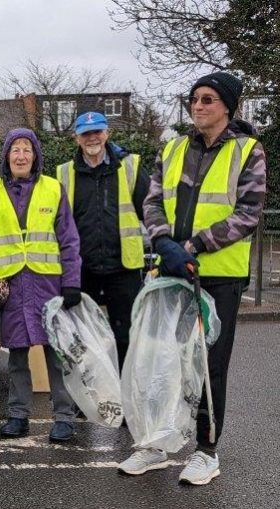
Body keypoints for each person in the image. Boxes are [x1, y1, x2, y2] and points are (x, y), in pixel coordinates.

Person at [119, 71, 267, 486]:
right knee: (159, 362)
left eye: (207, 100)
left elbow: (248, 214)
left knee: (208, 366)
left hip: (217, 275)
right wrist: (165, 243)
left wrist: (194, 246)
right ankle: (155, 444)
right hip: (170, 270)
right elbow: (152, 202)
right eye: (194, 100)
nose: (198, 106)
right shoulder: (173, 148)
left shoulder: (248, 152)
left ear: (227, 107)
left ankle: (206, 450)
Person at [0, 128, 82, 443]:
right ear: (6, 156)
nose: (21, 155)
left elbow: (69, 240)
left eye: (26, 149)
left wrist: (72, 282)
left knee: (56, 354)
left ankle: (63, 417)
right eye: (15, 149)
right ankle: (18, 416)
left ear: (35, 156)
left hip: (48, 284)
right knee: (17, 355)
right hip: (11, 287)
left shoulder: (53, 189)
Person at [55, 112, 149, 370]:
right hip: (83, 270)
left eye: (97, 132)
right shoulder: (64, 174)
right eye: (86, 133)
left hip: (124, 268)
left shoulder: (130, 166)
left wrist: (164, 251)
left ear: (107, 134)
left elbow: (152, 212)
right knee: (85, 338)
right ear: (76, 138)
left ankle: (127, 396)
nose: (92, 138)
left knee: (126, 337)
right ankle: (91, 399)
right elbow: (58, 226)